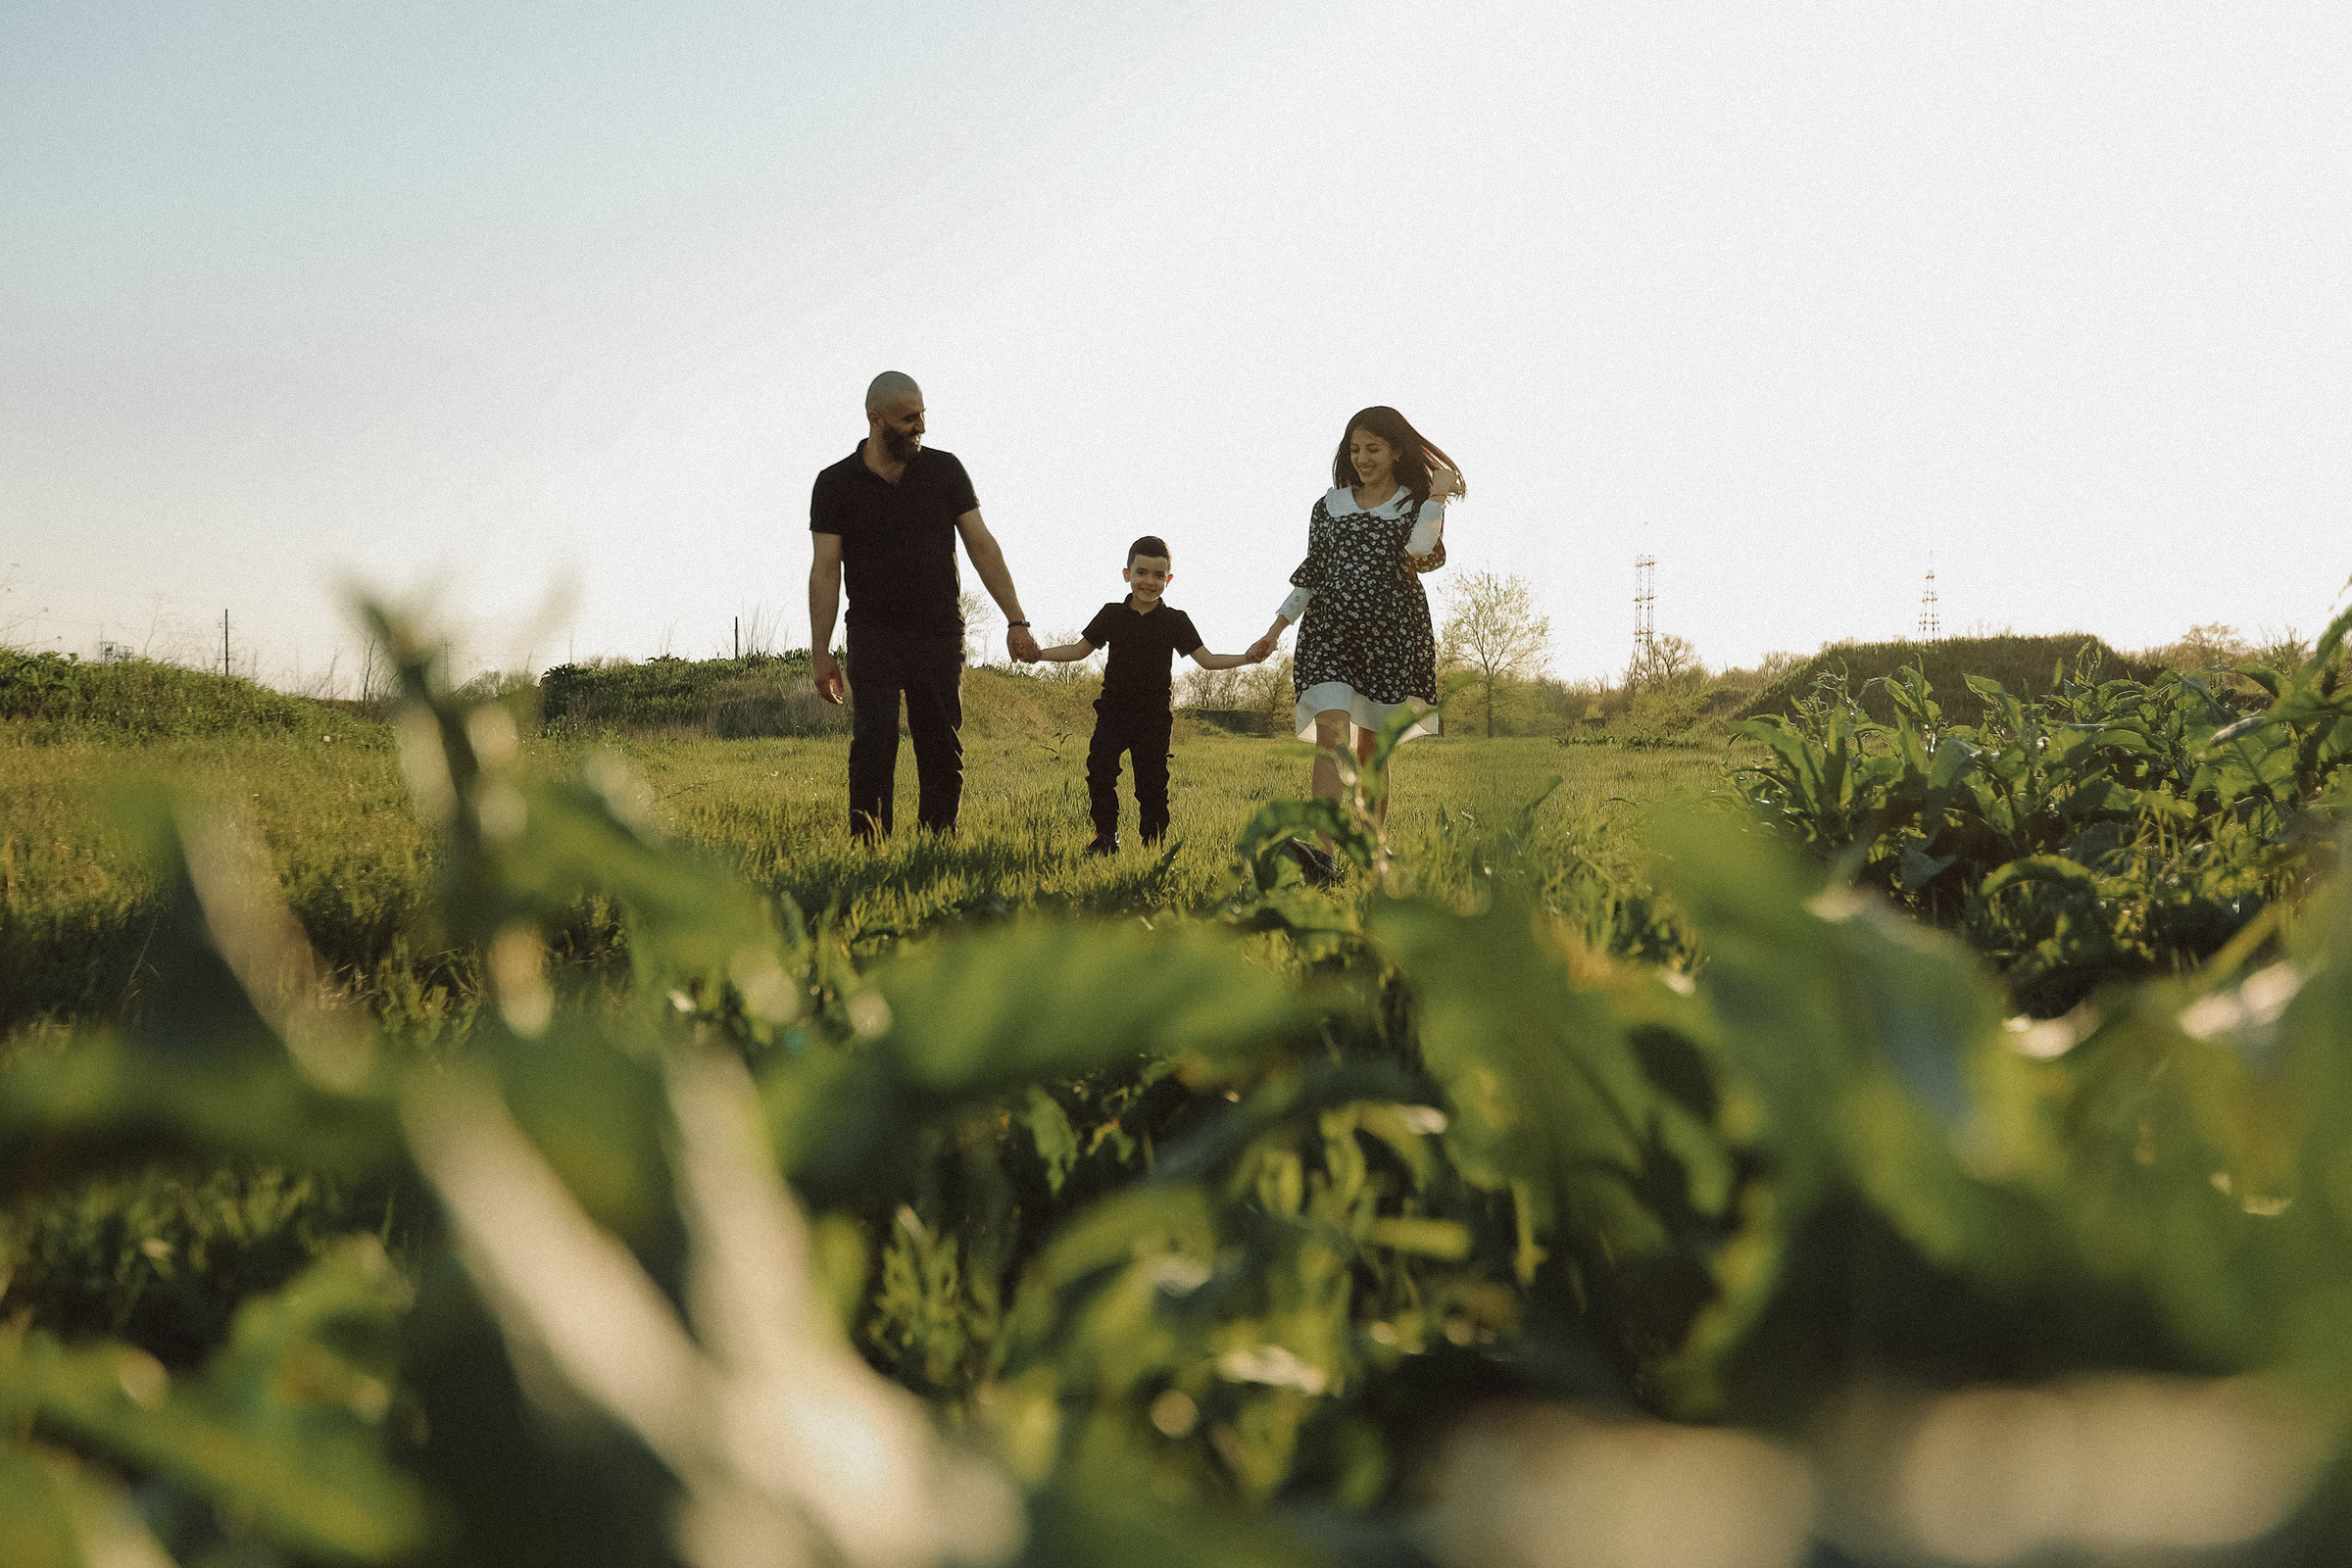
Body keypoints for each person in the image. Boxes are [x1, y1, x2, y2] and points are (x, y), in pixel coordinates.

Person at [808, 371, 1041, 839]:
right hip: (873, 633)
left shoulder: (945, 470)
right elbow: (825, 570)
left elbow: (982, 546)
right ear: (875, 419)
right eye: (909, 418)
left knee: (939, 745)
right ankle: (869, 851)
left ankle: (937, 847)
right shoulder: (835, 483)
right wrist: (821, 651)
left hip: (938, 633)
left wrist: (1016, 619)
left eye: (922, 415)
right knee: (873, 744)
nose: (921, 427)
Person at [1247, 406, 1461, 868]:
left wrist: (1437, 499)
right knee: (1333, 736)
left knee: (1372, 753)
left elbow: (1420, 554)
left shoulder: (1414, 505)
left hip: (1389, 639)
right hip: (1328, 635)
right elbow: (1311, 575)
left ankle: (1370, 848)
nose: (1362, 458)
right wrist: (1274, 631)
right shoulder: (1329, 507)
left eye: (1373, 449)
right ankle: (1321, 856)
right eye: (1355, 449)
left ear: (1395, 451)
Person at [1026, 535, 1265, 855]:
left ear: (1168, 579)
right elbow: (1079, 650)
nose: (1148, 582)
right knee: (1099, 774)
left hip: (1153, 718)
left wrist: (1246, 658)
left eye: (1157, 575)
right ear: (1127, 574)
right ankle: (1105, 838)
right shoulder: (1111, 614)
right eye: (1141, 573)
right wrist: (1037, 654)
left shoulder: (1174, 621)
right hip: (1113, 712)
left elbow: (1206, 660)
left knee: (1152, 786)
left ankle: (1152, 847)